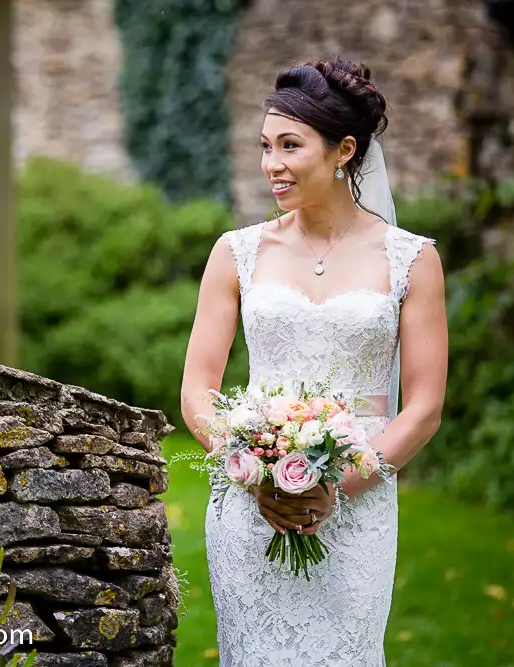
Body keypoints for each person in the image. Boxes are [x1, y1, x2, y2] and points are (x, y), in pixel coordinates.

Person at [180, 57, 448, 666]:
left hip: (359, 500)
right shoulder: (237, 253)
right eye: (266, 146)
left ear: (344, 150)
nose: (272, 164)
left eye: (290, 146)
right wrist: (252, 470)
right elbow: (198, 390)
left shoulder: (412, 260)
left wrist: (338, 487)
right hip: (251, 506)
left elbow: (425, 407)